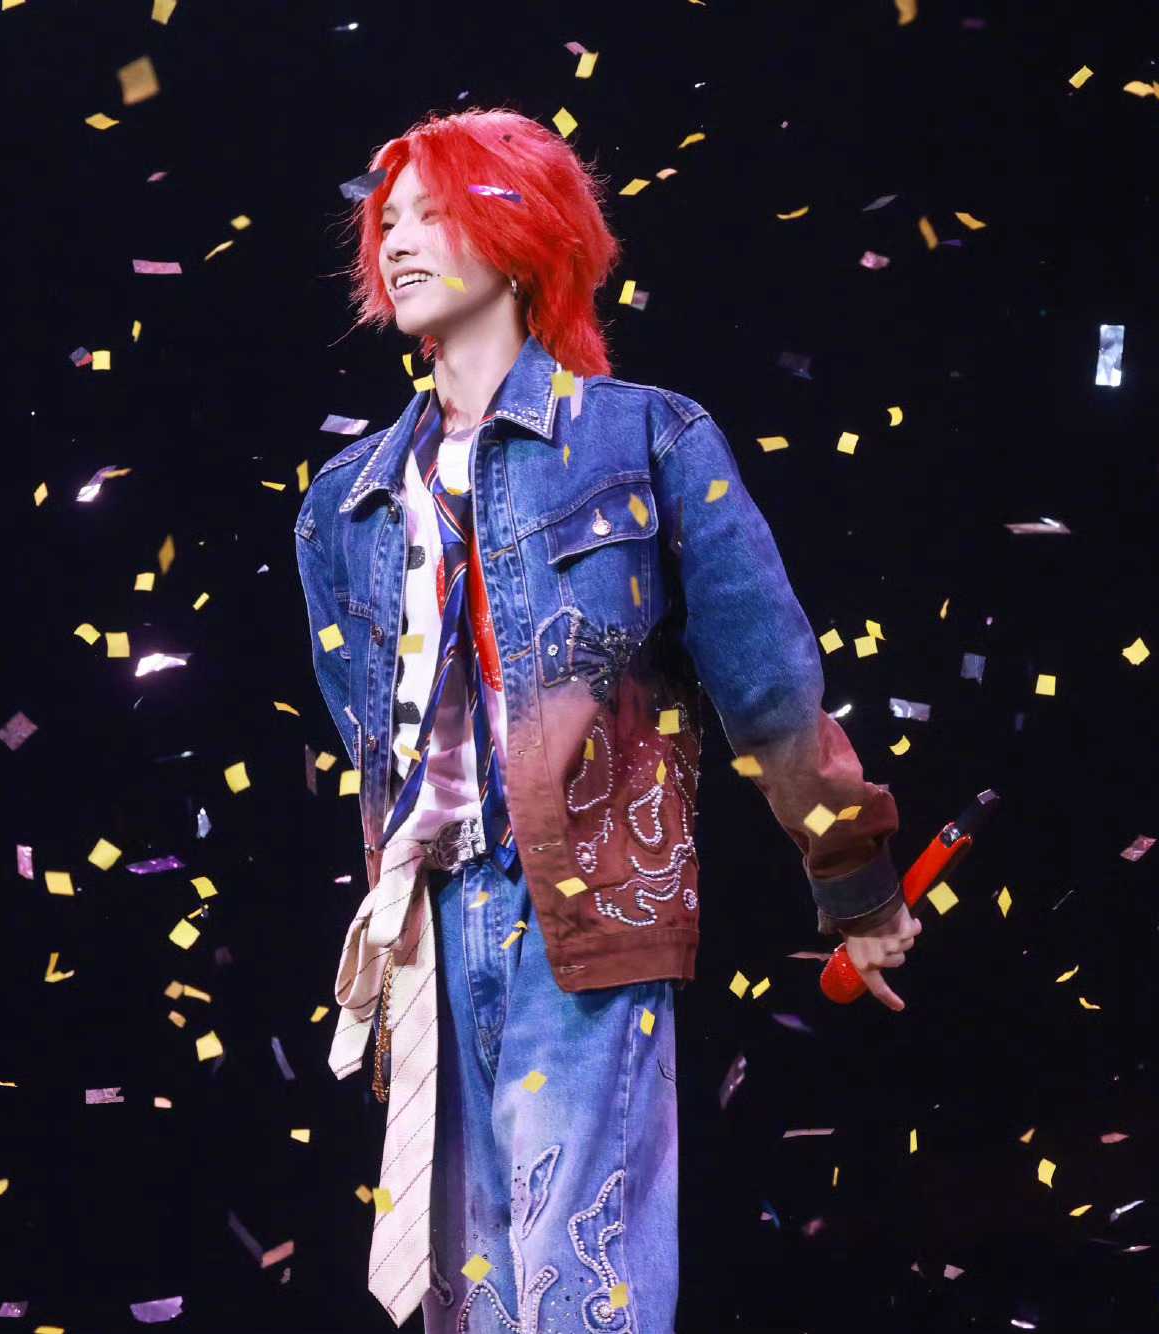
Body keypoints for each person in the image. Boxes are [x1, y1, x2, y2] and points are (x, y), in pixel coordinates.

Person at [294, 106, 919, 1333]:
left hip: (581, 908)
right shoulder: (343, 502)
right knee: (471, 1294)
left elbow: (767, 685)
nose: (398, 241)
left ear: (521, 232)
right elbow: (364, 728)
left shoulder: (642, 438)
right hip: (425, 929)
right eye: (389, 221)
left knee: (579, 1282)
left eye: (434, 213)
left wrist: (853, 878)